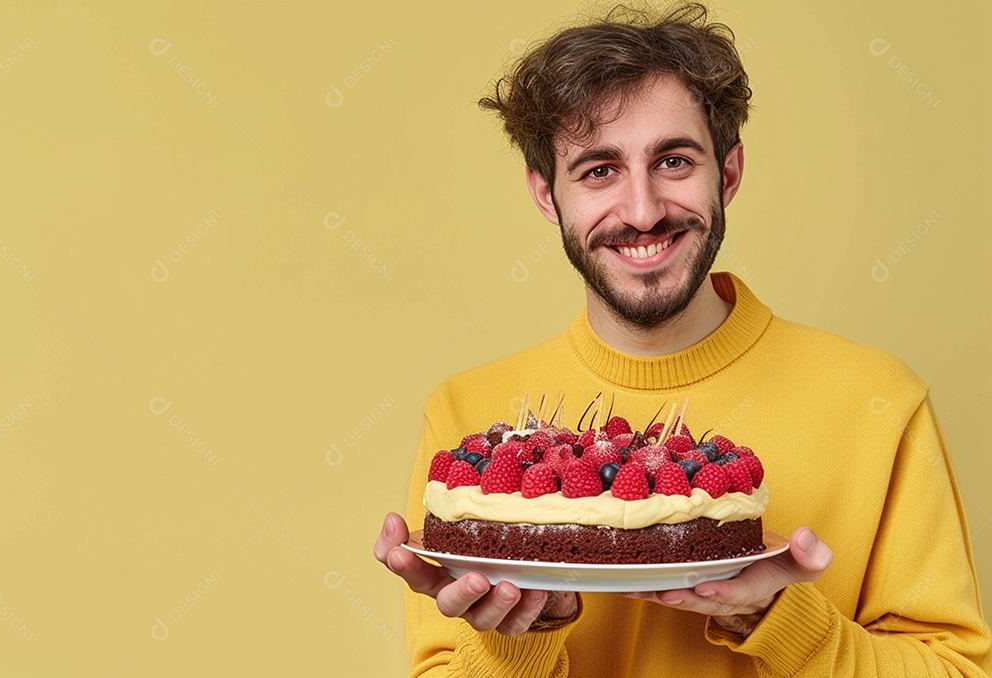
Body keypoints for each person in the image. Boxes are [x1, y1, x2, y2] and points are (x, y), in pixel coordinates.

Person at [373, 4, 992, 675]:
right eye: (598, 170)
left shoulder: (879, 400)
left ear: (726, 174)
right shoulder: (466, 413)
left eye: (672, 160)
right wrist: (516, 640)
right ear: (547, 195)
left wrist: (778, 620)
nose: (642, 211)